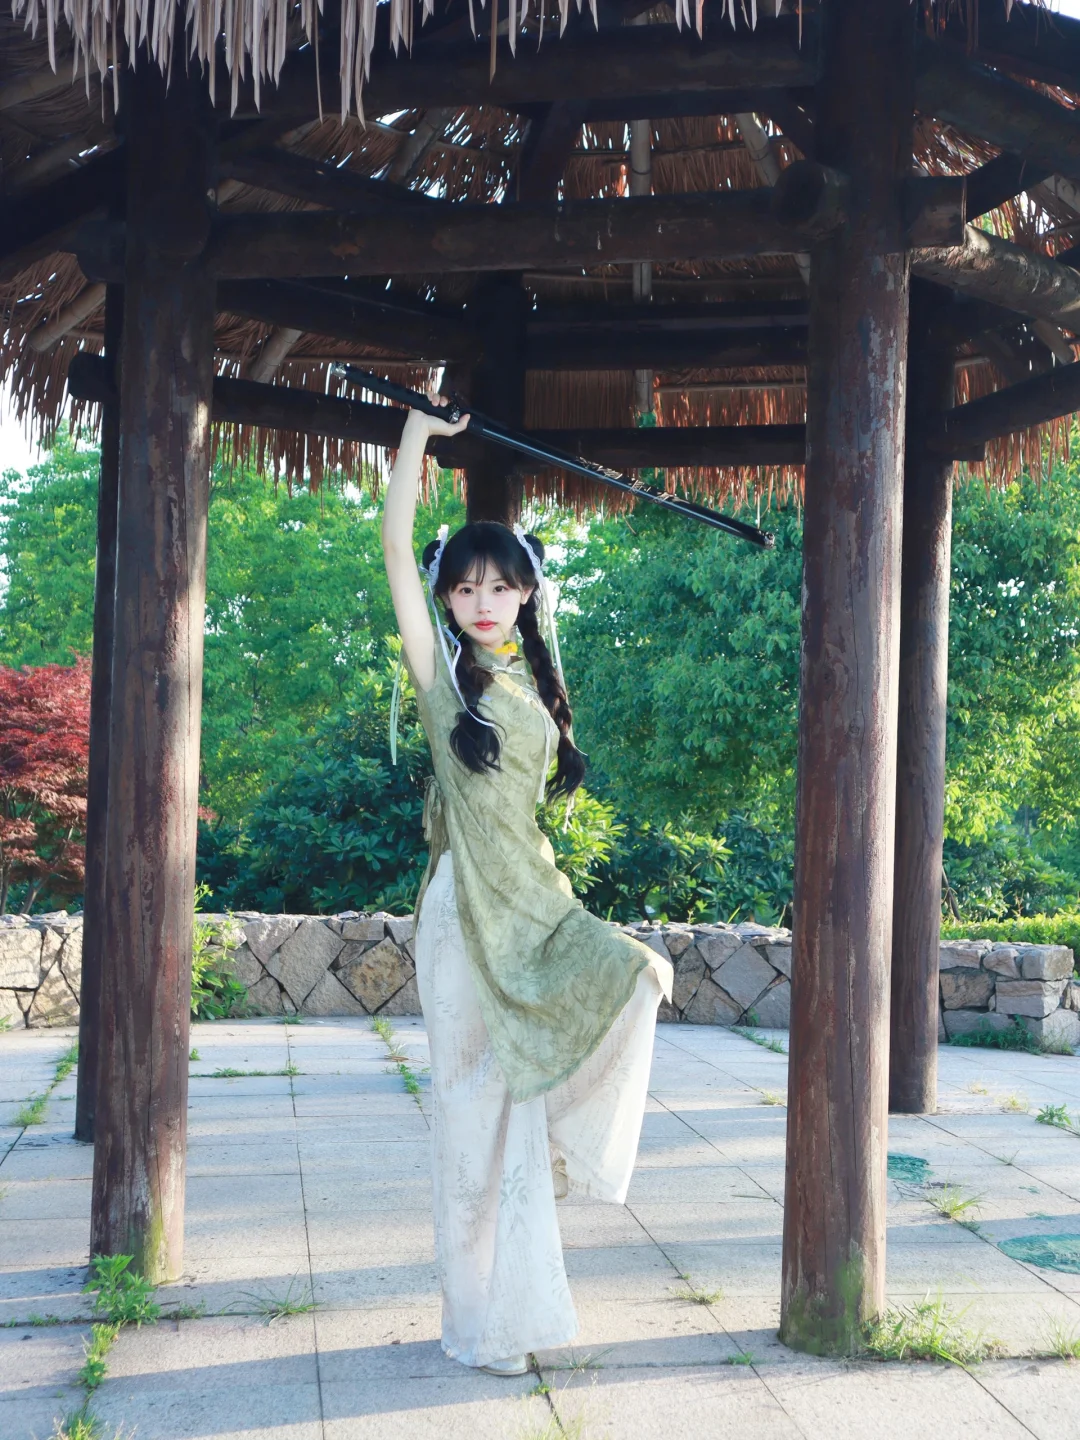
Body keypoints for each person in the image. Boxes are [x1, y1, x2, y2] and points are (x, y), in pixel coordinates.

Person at [381, 393, 673, 1378]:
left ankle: (513, 1313)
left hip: (535, 907)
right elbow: (393, 555)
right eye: (466, 587)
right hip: (463, 918)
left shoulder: (537, 687)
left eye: (501, 586)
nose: (483, 601)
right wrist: (418, 436)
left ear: (525, 596)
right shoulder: (444, 685)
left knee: (634, 981)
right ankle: (478, 1321)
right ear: (447, 598)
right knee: (470, 1122)